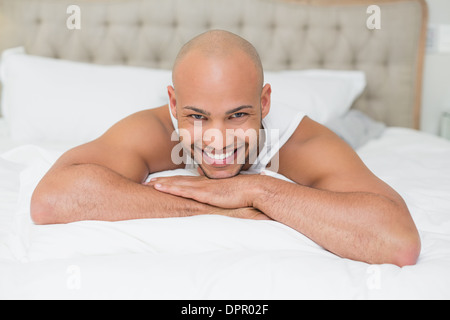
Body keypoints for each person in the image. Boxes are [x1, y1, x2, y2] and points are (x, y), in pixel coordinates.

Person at [31, 30, 420, 266]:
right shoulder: (152, 129)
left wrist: (257, 189)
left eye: (237, 116)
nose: (216, 139)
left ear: (264, 103)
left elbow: (399, 243)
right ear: (172, 104)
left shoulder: (304, 141)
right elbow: (51, 200)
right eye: (197, 116)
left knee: (356, 130)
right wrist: (216, 204)